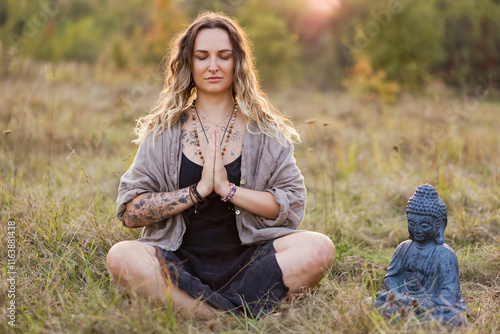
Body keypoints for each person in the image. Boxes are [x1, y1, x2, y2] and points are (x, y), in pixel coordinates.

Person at [106, 11, 335, 318]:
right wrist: (195, 192)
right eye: (202, 56)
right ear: (189, 64)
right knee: (121, 255)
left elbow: (291, 206)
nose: (213, 66)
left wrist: (228, 190)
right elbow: (131, 213)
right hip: (177, 258)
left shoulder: (265, 131)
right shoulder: (163, 132)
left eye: (223, 56)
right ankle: (222, 319)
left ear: (236, 62)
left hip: (251, 260)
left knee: (319, 248)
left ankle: (204, 311)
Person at [373, 184, 469, 326]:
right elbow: (391, 277)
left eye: (424, 226)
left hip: (433, 306)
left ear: (440, 225)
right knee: (371, 303)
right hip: (403, 300)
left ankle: (407, 321)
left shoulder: (445, 254)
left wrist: (413, 302)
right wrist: (399, 296)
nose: (417, 230)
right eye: (412, 223)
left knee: (454, 318)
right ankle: (412, 321)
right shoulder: (403, 248)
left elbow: (448, 297)